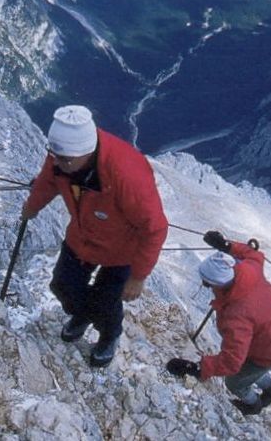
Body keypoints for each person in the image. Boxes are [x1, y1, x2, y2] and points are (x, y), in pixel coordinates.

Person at [21, 105, 168, 367]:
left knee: (106, 300)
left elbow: (155, 228)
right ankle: (84, 314)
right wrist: (31, 207)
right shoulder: (63, 156)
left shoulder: (126, 174)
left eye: (64, 159)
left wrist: (138, 277)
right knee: (62, 286)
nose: (56, 163)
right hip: (82, 237)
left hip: (121, 250)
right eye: (53, 155)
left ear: (85, 152)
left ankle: (109, 334)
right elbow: (47, 181)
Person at [166, 231, 271, 415]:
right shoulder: (248, 270)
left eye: (208, 283)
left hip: (269, 348)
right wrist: (227, 246)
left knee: (234, 381)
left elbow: (231, 362)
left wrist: (195, 369)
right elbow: (254, 254)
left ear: (219, 284)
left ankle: (253, 404)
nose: (206, 286)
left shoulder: (237, 315)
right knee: (249, 369)